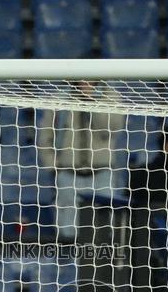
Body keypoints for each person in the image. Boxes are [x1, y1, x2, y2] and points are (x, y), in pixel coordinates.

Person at [36, 82, 124, 240]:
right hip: (69, 173)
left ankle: (102, 263)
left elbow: (111, 129)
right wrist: (53, 165)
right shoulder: (59, 98)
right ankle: (70, 263)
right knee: (68, 229)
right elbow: (45, 134)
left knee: (103, 228)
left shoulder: (110, 96)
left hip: (102, 173)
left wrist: (93, 100)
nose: (86, 83)